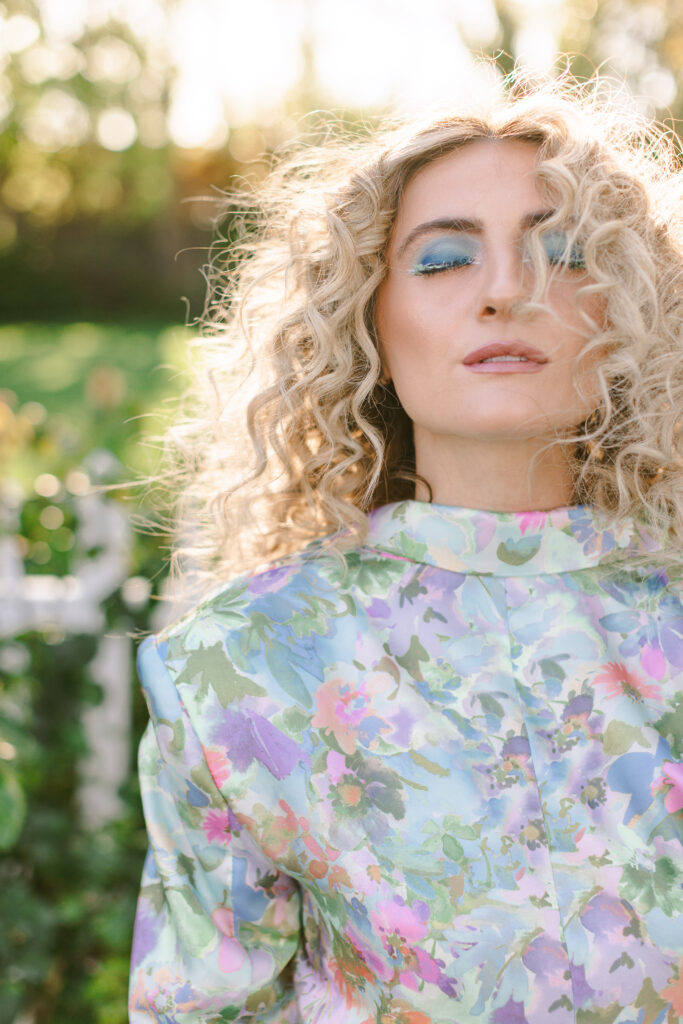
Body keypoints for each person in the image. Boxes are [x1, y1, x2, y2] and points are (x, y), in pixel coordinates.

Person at [129, 79, 683, 1023]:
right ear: (366, 321)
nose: (508, 289)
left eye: (564, 250)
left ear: (630, 312)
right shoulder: (239, 665)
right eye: (443, 260)